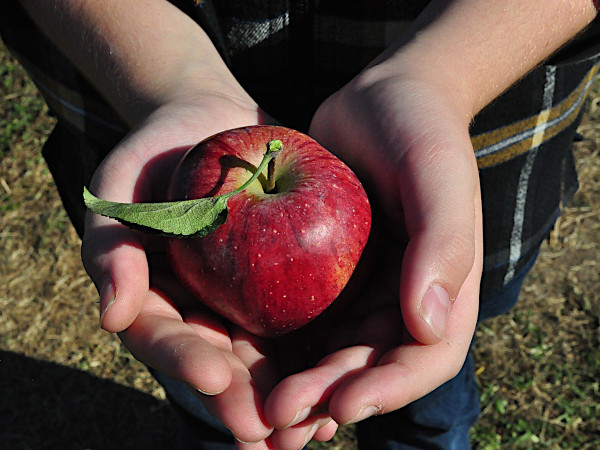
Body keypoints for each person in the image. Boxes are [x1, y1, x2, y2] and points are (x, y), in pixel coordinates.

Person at [2, 0, 599, 448]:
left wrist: (441, 76)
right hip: (128, 76)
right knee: (215, 396)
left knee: (427, 341)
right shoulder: (186, 176)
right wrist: (165, 83)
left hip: (460, 142)